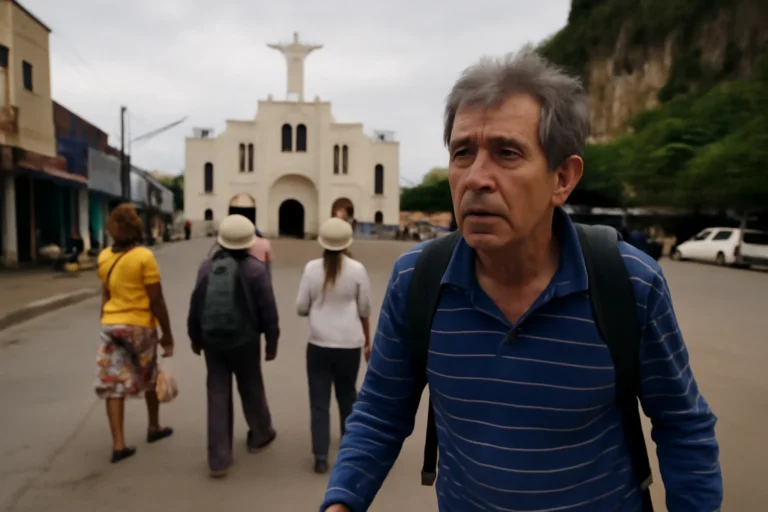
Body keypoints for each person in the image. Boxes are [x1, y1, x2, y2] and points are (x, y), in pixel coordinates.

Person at [320, 51, 722, 511]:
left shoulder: (628, 282)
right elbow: (379, 414)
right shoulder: (417, 282)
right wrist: (341, 503)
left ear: (563, 178)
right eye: (462, 152)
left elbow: (682, 424)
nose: (475, 178)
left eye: (507, 153)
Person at [187, 214, 280, 478]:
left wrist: (195, 337)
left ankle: (219, 458)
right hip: (246, 341)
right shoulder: (256, 269)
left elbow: (196, 305)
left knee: (217, 393)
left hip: (213, 341)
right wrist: (272, 341)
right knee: (251, 386)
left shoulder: (206, 267)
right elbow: (268, 310)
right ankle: (260, 434)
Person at [95, 203, 175, 464]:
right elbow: (157, 300)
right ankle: (154, 427)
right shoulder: (144, 257)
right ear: (136, 228)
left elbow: (106, 295)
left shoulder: (105, 256)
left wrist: (105, 321)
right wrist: (167, 334)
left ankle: (118, 445)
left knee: (112, 384)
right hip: (139, 326)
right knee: (149, 375)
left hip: (111, 326)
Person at [296, 217, 372, 474]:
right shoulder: (357, 269)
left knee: (319, 402)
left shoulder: (310, 269)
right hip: (349, 344)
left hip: (318, 343)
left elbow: (301, 307)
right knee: (347, 396)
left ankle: (320, 456)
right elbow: (364, 308)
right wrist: (367, 341)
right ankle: (350, 448)